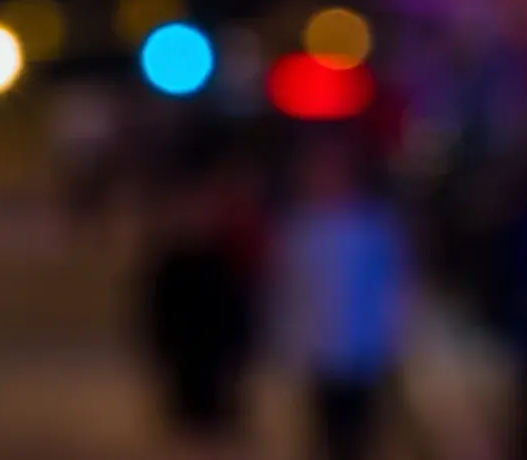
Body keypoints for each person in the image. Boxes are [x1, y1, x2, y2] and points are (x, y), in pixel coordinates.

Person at [269, 137, 409, 460]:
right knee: (322, 435)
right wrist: (286, 341)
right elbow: (288, 293)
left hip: (362, 352)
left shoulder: (373, 226)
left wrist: (391, 338)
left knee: (358, 436)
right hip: (318, 352)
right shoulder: (299, 229)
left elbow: (391, 288)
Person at [146, 161, 257, 454]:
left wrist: (236, 349)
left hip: (216, 357)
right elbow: (157, 309)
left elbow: (235, 309)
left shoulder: (222, 259)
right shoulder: (169, 261)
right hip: (183, 356)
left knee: (217, 426)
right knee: (186, 427)